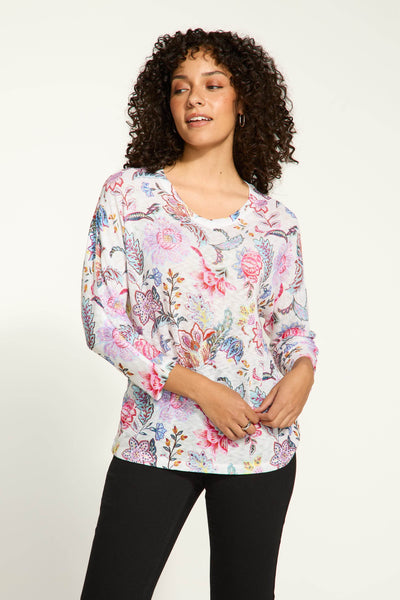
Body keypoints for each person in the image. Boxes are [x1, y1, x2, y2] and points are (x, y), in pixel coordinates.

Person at [80, 27, 319, 600]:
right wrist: (201, 390)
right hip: (157, 433)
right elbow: (101, 320)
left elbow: (289, 323)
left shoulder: (276, 222)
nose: (194, 99)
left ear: (242, 100)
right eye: (180, 87)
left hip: (259, 441)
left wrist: (303, 370)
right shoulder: (129, 196)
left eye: (213, 85)